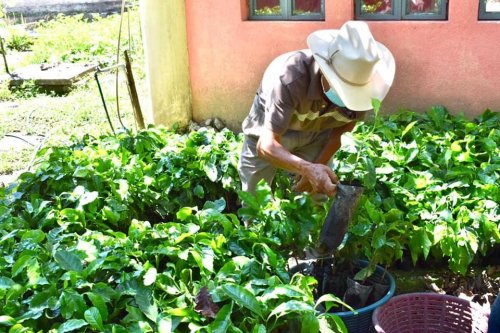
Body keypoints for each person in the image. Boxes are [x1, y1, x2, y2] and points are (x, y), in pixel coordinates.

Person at [238, 21, 396, 197]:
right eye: (342, 88)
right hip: (269, 129)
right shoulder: (289, 78)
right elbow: (266, 145)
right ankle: (253, 223)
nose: (346, 98)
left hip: (319, 132)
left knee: (317, 196)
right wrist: (307, 168)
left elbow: (338, 135)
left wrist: (316, 170)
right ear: (325, 70)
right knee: (254, 199)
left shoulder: (364, 89)